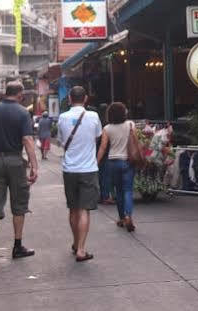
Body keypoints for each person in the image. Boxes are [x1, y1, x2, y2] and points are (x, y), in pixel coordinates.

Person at [0, 81, 38, 266]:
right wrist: (34, 165)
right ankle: (17, 246)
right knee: (19, 204)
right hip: (15, 161)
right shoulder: (22, 112)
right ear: (19, 94)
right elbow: (27, 139)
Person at [57, 85, 101, 262]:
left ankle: (76, 243)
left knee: (73, 208)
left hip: (70, 169)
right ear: (85, 99)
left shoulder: (62, 117)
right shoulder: (94, 116)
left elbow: (60, 141)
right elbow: (97, 136)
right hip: (88, 169)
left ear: (69, 99)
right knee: (84, 210)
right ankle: (81, 249)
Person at [97, 102, 137, 232]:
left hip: (113, 162)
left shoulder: (107, 128)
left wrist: (96, 162)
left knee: (119, 191)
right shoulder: (131, 125)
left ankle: (121, 218)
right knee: (128, 190)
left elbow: (103, 147)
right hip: (127, 161)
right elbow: (135, 142)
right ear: (123, 113)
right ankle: (128, 215)